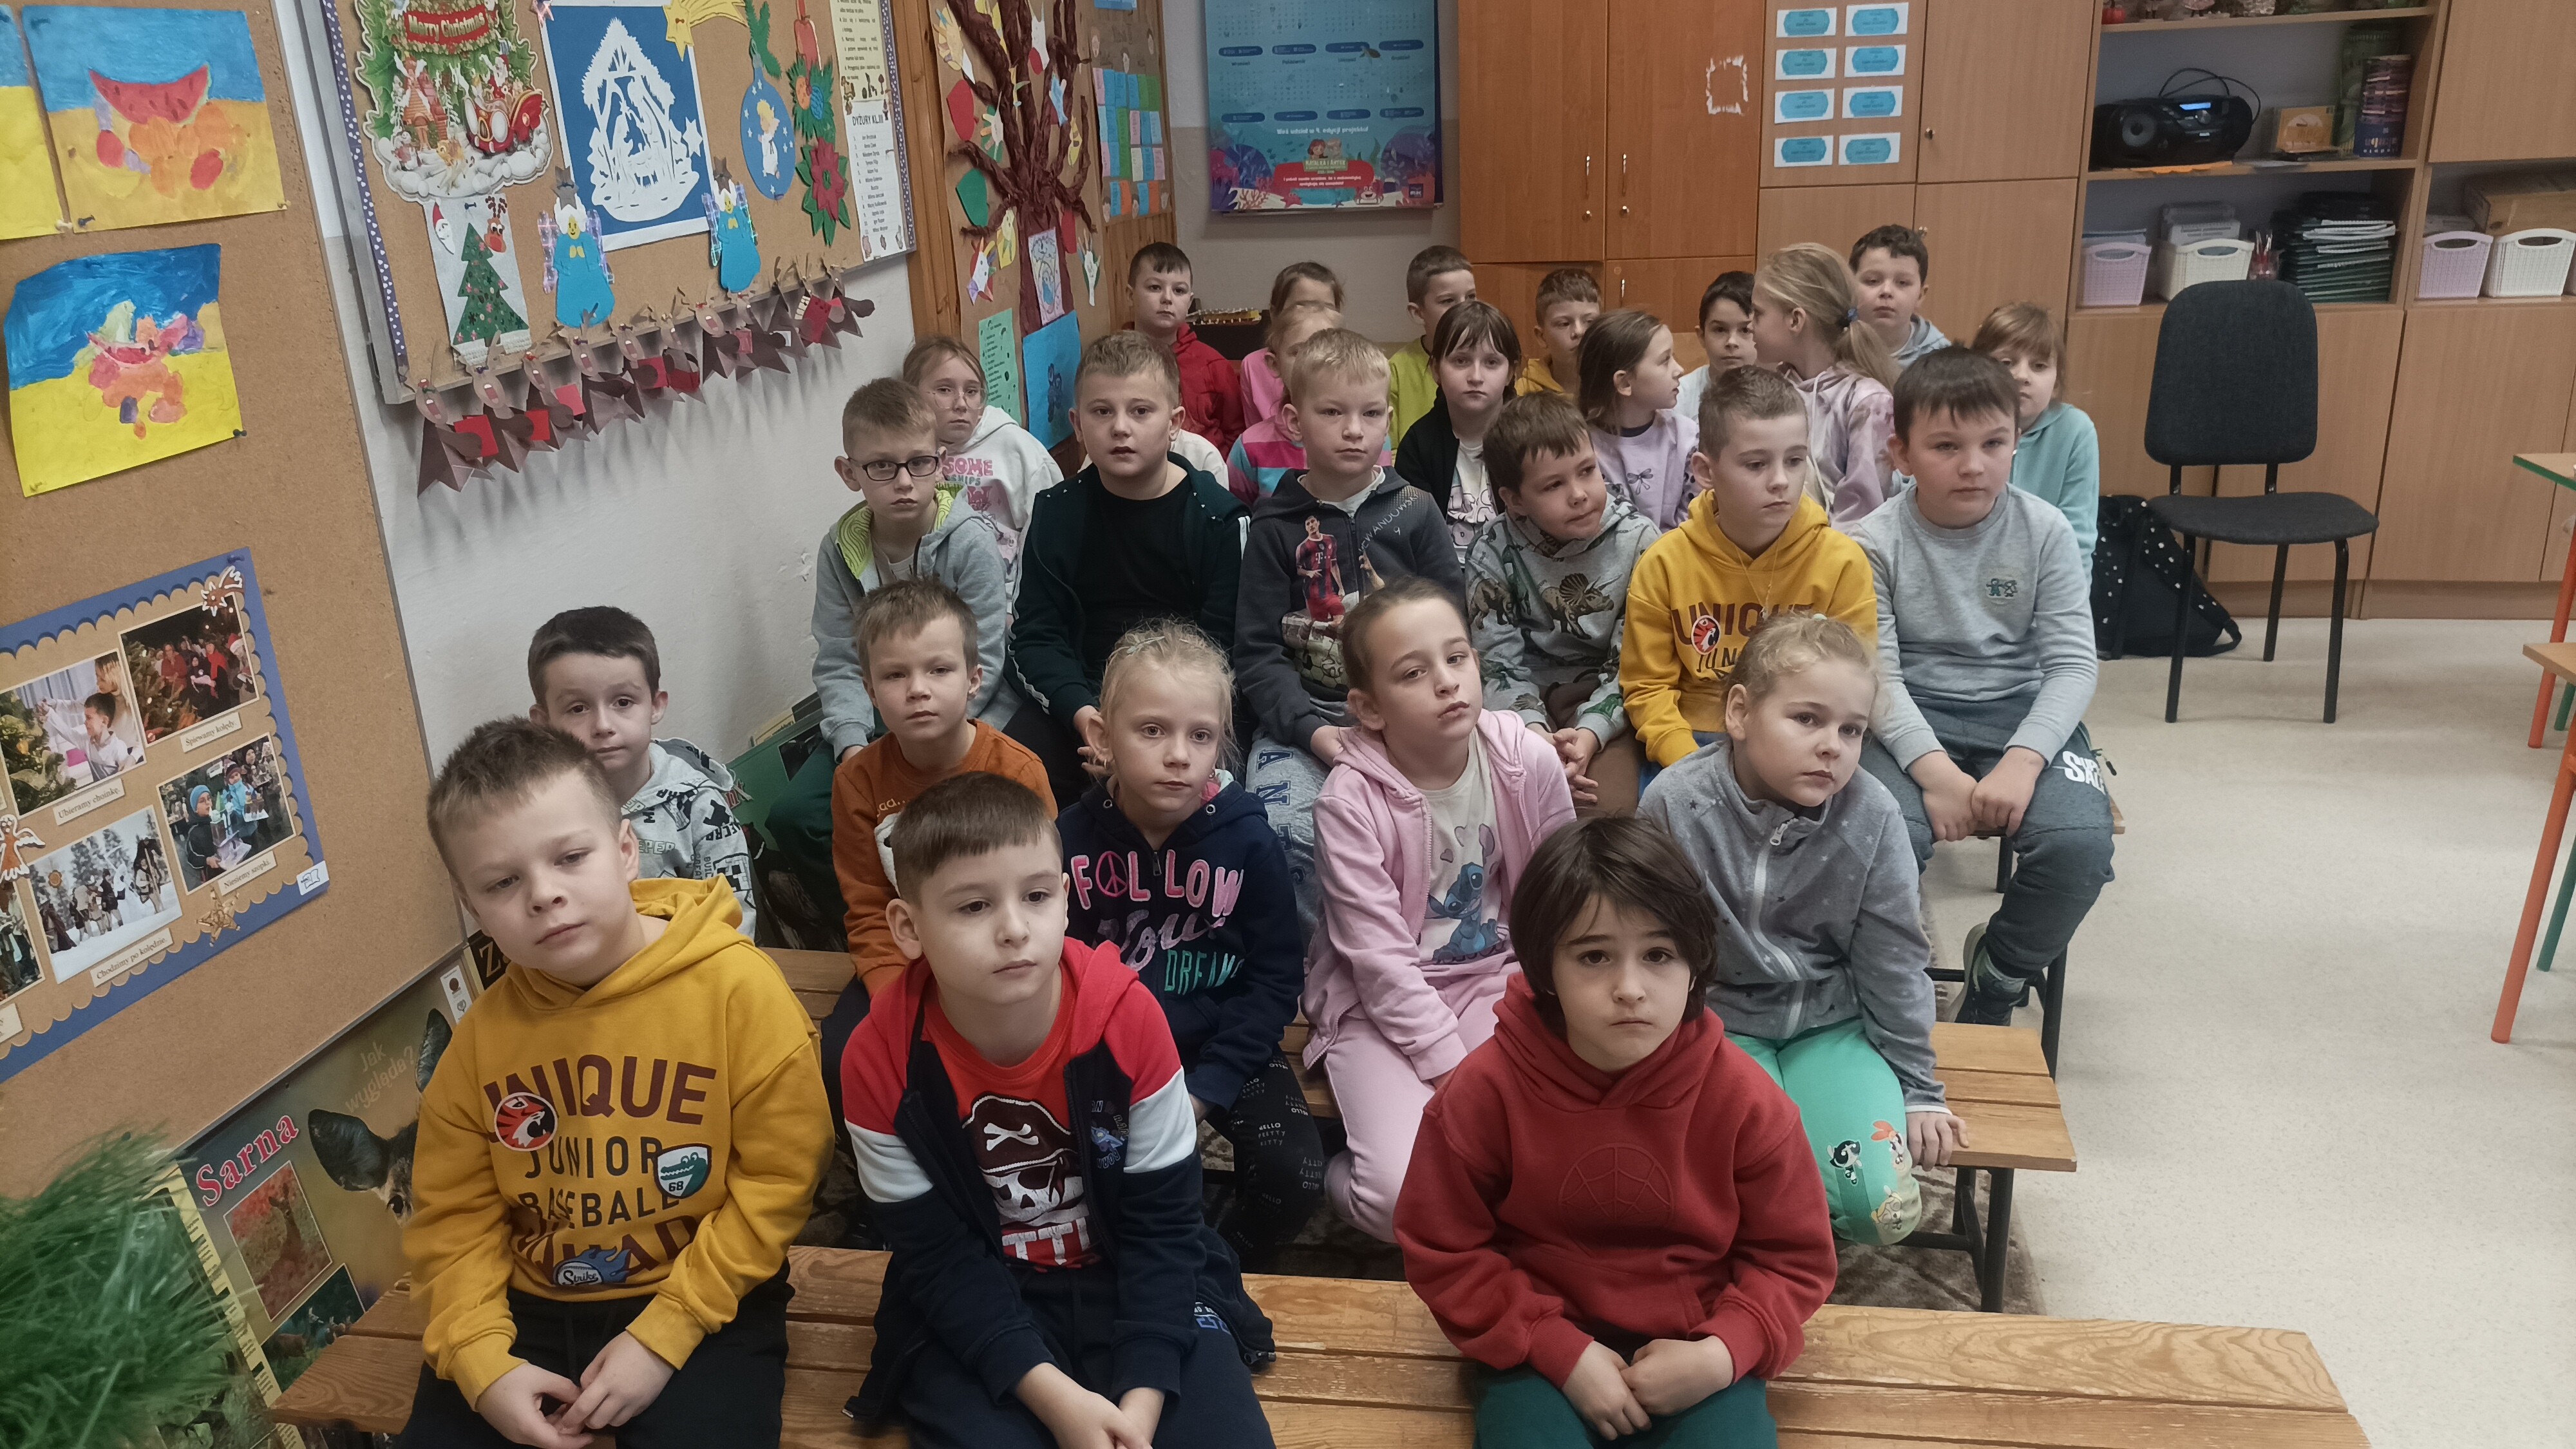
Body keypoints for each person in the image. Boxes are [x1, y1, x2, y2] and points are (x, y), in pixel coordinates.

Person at [399, 718, 829, 1449]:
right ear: (472, 907)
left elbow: (778, 1182)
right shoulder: (477, 1046)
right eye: (502, 882)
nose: (544, 895)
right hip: (525, 1305)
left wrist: (667, 1332)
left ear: (626, 850)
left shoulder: (739, 994)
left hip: (705, 1291)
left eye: (571, 857)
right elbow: (453, 1220)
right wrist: (480, 1362)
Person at [838, 772, 1277, 1447]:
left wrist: (1141, 1405)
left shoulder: (1129, 1020)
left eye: (1037, 896)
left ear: (1066, 901)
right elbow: (938, 1259)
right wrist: (1057, 1401)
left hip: (1131, 1273)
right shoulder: (879, 1060)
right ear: (908, 927)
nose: (1015, 929)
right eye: (973, 906)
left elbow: (1164, 1228)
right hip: (982, 1292)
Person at [1394, 814, 1837, 1448]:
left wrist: (1723, 1352)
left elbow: (1793, 1260)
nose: (1629, 989)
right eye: (1594, 956)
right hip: (1535, 1348)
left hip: (1700, 1347)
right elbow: (1444, 1248)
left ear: (1695, 965)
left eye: (1658, 955)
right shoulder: (1483, 1092)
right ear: (1544, 968)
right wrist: (1556, 1349)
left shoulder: (1749, 1102)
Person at [1642, 613, 1959, 1245]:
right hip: (1713, 1027)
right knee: (1713, 1201)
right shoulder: (1674, 805)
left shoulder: (1874, 816)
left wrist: (1920, 1087)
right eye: (1807, 719)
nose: (1832, 746)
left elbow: (1893, 959)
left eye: (1852, 730)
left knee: (1882, 1212)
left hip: (1832, 1027)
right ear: (1739, 713)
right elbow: (1648, 949)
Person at [1302, 577, 1574, 1241]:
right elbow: (1378, 963)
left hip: (1492, 983)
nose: (1448, 682)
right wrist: (1453, 1073)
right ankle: (1332, 1177)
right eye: (1413, 673)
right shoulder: (1348, 801)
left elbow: (1562, 900)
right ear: (1369, 708)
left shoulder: (1526, 761)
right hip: (1374, 1006)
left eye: (1456, 658)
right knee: (1401, 1200)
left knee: (1526, 1166)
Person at [1852, 349, 2113, 1027]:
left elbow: (2072, 667)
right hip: (1907, 717)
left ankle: (1998, 975)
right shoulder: (1868, 543)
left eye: (1993, 444)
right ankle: (1886, 982)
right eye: (1946, 446)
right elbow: (1877, 679)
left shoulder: (2045, 531)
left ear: (2016, 443)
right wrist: (1936, 774)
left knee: (2079, 847)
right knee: (1873, 835)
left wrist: (2023, 762)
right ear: (1901, 455)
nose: (1973, 465)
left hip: (2021, 713)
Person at [1055, 622, 1322, 1269]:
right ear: (1103, 738)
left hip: (1220, 1036)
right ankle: (1138, 1264)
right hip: (1107, 1048)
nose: (1179, 755)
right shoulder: (1066, 842)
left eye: (1200, 736)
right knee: (1098, 1174)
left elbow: (1273, 977)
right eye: (1152, 731)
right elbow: (1054, 971)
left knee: (1295, 1174)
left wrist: (1209, 1087)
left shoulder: (1249, 841)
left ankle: (1218, 1268)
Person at [771, 378, 1018, 941]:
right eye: (882, 467)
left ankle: (954, 927)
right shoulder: (840, 550)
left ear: (941, 463)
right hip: (880, 713)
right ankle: (876, 925)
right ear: (849, 473)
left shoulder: (969, 540)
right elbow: (839, 658)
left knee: (952, 815)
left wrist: (931, 741)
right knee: (798, 816)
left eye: (918, 463)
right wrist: (854, 746)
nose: (904, 482)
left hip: (963, 713)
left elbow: (984, 658)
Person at [1236, 329, 1464, 929]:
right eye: (1332, 413)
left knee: (1430, 826)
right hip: (1306, 724)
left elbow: (1453, 629)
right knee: (1284, 829)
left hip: (1409, 715)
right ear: (1294, 421)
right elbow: (1257, 655)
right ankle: (1326, 966)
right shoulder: (1274, 527)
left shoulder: (1416, 510)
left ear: (1389, 418)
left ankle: (1425, 949)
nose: (1354, 430)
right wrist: (1314, 733)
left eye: (1370, 414)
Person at [825, 579, 1055, 1120]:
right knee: (843, 1057)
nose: (918, 690)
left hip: (1005, 954)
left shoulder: (1017, 771)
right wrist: (895, 1001)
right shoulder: (857, 783)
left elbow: (1043, 897)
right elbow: (868, 909)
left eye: (938, 670)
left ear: (974, 679)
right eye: (895, 675)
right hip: (910, 964)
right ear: (870, 690)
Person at [1010, 332, 1247, 806]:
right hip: (1083, 701)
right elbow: (1036, 637)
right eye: (1102, 412)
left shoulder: (1218, 520)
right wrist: (1088, 718)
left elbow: (1224, 648)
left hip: (1183, 707)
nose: (1120, 428)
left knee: (1206, 798)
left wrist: (1143, 734)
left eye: (1140, 411)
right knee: (1013, 781)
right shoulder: (1055, 512)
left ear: (1174, 423)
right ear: (1077, 425)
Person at [1623, 367, 1877, 775]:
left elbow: (1854, 684)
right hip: (1694, 740)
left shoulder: (1842, 562)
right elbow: (1647, 688)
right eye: (1756, 464)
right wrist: (1687, 764)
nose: (1781, 481)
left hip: (1806, 739)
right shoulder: (1664, 564)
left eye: (1795, 461)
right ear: (1706, 472)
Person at [1467, 393, 1658, 815]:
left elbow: (1633, 665)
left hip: (1609, 701)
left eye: (1587, 471)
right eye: (1553, 485)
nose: (1579, 495)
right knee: (1503, 805)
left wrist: (1589, 734)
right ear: (1515, 500)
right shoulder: (1492, 550)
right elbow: (1498, 665)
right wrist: (1534, 735)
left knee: (1601, 810)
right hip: (1520, 707)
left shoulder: (1641, 542)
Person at [527, 607, 757, 940]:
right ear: (544, 722)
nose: (603, 726)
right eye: (578, 708)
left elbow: (735, 924)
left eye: (623, 702)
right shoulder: (537, 811)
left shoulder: (700, 807)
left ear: (656, 705)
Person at [1753, 243, 1900, 525]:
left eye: (1758, 314)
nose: (1750, 324)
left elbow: (1863, 513)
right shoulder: (1771, 388)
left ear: (1795, 320)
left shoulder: (1868, 402)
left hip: (1839, 549)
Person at [906, 334, 1063, 583]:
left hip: (1008, 585)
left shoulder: (1014, 446)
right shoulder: (907, 455)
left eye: (971, 391)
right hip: (938, 587)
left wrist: (1023, 596)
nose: (961, 404)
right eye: (944, 390)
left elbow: (1051, 529)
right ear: (912, 397)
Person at [1973, 301, 2101, 573]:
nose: (2022, 376)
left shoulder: (2076, 431)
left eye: (2039, 366)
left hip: (2045, 577)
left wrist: (2068, 597)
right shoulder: (1957, 423)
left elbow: (2077, 540)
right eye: (2006, 363)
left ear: (2057, 382)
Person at [1395, 299, 1524, 560]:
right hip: (1441, 574)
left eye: (1491, 362)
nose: (1476, 376)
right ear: (1436, 370)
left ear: (1511, 372)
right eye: (1461, 360)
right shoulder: (1418, 444)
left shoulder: (1533, 437)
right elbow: (1413, 538)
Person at [1578, 310, 1698, 531]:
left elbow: (1697, 516)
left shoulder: (1688, 437)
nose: (1680, 370)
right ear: (1625, 383)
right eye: (1665, 360)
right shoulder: (1581, 447)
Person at [1125, 240, 1244, 456]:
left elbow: (1236, 436)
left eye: (1179, 290)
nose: (1167, 298)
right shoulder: (1113, 362)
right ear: (1130, 295)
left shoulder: (1214, 365)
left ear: (1189, 302)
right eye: (1154, 287)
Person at [1226, 299, 1349, 502]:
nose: (1314, 364)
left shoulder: (1366, 437)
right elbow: (1237, 513)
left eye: (1327, 351)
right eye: (1299, 352)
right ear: (1275, 364)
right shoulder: (1250, 446)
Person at [1388, 245, 1478, 448]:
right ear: (1418, 313)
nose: (1464, 308)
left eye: (1471, 297)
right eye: (1448, 301)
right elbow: (1385, 449)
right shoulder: (1396, 372)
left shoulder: (1492, 362)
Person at [1239, 260, 1341, 425]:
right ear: (1274, 314)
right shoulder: (1252, 366)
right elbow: (1253, 433)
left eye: (1327, 309)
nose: (1315, 319)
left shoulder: (1351, 365)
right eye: (1302, 308)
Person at [1852, 223, 1950, 370]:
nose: (1886, 291)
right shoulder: (1828, 345)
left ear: (1920, 296)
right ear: (1850, 287)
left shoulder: (1943, 360)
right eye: (1873, 281)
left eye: (1902, 283)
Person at [1673, 270, 1756, 426]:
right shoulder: (1678, 399)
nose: (1731, 342)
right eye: (1720, 330)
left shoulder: (1784, 394)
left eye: (1745, 330)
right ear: (1701, 336)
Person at [1522, 267, 1600, 397]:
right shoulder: (1523, 393)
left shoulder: (1619, 387)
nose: (1579, 331)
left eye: (1590, 321)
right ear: (1542, 337)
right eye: (1564, 324)